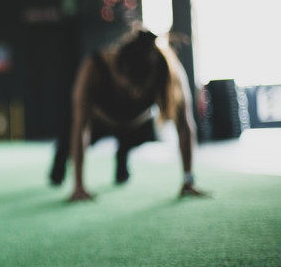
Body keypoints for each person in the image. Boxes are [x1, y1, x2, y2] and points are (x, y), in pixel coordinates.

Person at [66, 28, 205, 201]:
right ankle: (61, 162)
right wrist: (79, 186)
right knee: (65, 148)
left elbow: (185, 126)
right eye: (130, 87)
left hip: (137, 126)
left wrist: (188, 180)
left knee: (131, 149)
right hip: (100, 123)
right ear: (118, 70)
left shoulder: (167, 70)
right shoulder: (94, 67)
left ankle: (122, 153)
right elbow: (81, 127)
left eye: (140, 89)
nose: (135, 95)